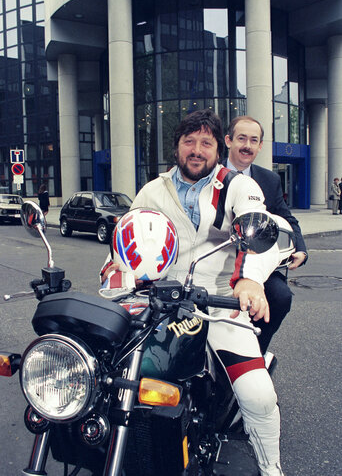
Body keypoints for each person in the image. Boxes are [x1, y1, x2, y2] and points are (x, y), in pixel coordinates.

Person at [101, 109, 286, 476]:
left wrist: (249, 280)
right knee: (109, 371)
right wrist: (115, 274)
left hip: (218, 304)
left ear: (220, 148)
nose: (197, 150)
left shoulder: (238, 186)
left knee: (258, 394)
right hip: (161, 302)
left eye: (206, 142)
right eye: (189, 142)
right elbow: (126, 241)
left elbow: (260, 232)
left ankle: (271, 468)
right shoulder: (153, 190)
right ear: (177, 147)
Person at [224, 115, 307, 354]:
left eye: (253, 140)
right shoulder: (211, 172)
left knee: (280, 297)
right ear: (229, 141)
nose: (247, 146)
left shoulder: (269, 179)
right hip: (217, 258)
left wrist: (300, 247)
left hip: (256, 258)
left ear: (260, 146)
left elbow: (287, 218)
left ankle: (255, 352)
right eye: (241, 138)